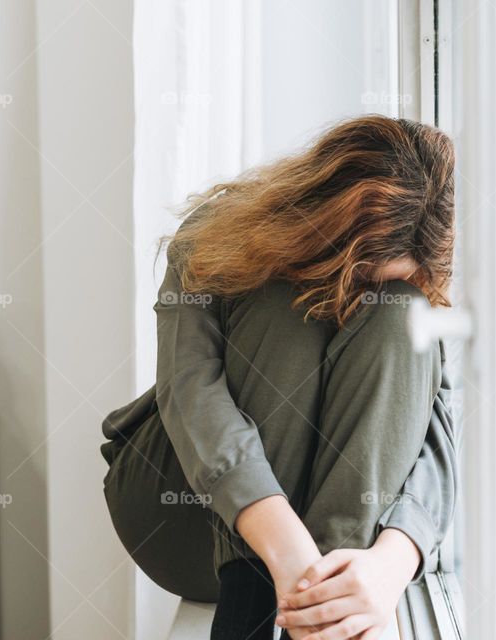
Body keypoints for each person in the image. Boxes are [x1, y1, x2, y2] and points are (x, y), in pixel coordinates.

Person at [101, 115, 459, 640]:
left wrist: (391, 561)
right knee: (284, 302)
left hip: (330, 543)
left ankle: (326, 609)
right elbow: (190, 390)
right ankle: (287, 597)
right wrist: (290, 554)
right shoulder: (213, 231)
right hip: (180, 510)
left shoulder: (410, 276)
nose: (355, 294)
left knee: (400, 313)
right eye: (352, 272)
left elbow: (434, 430)